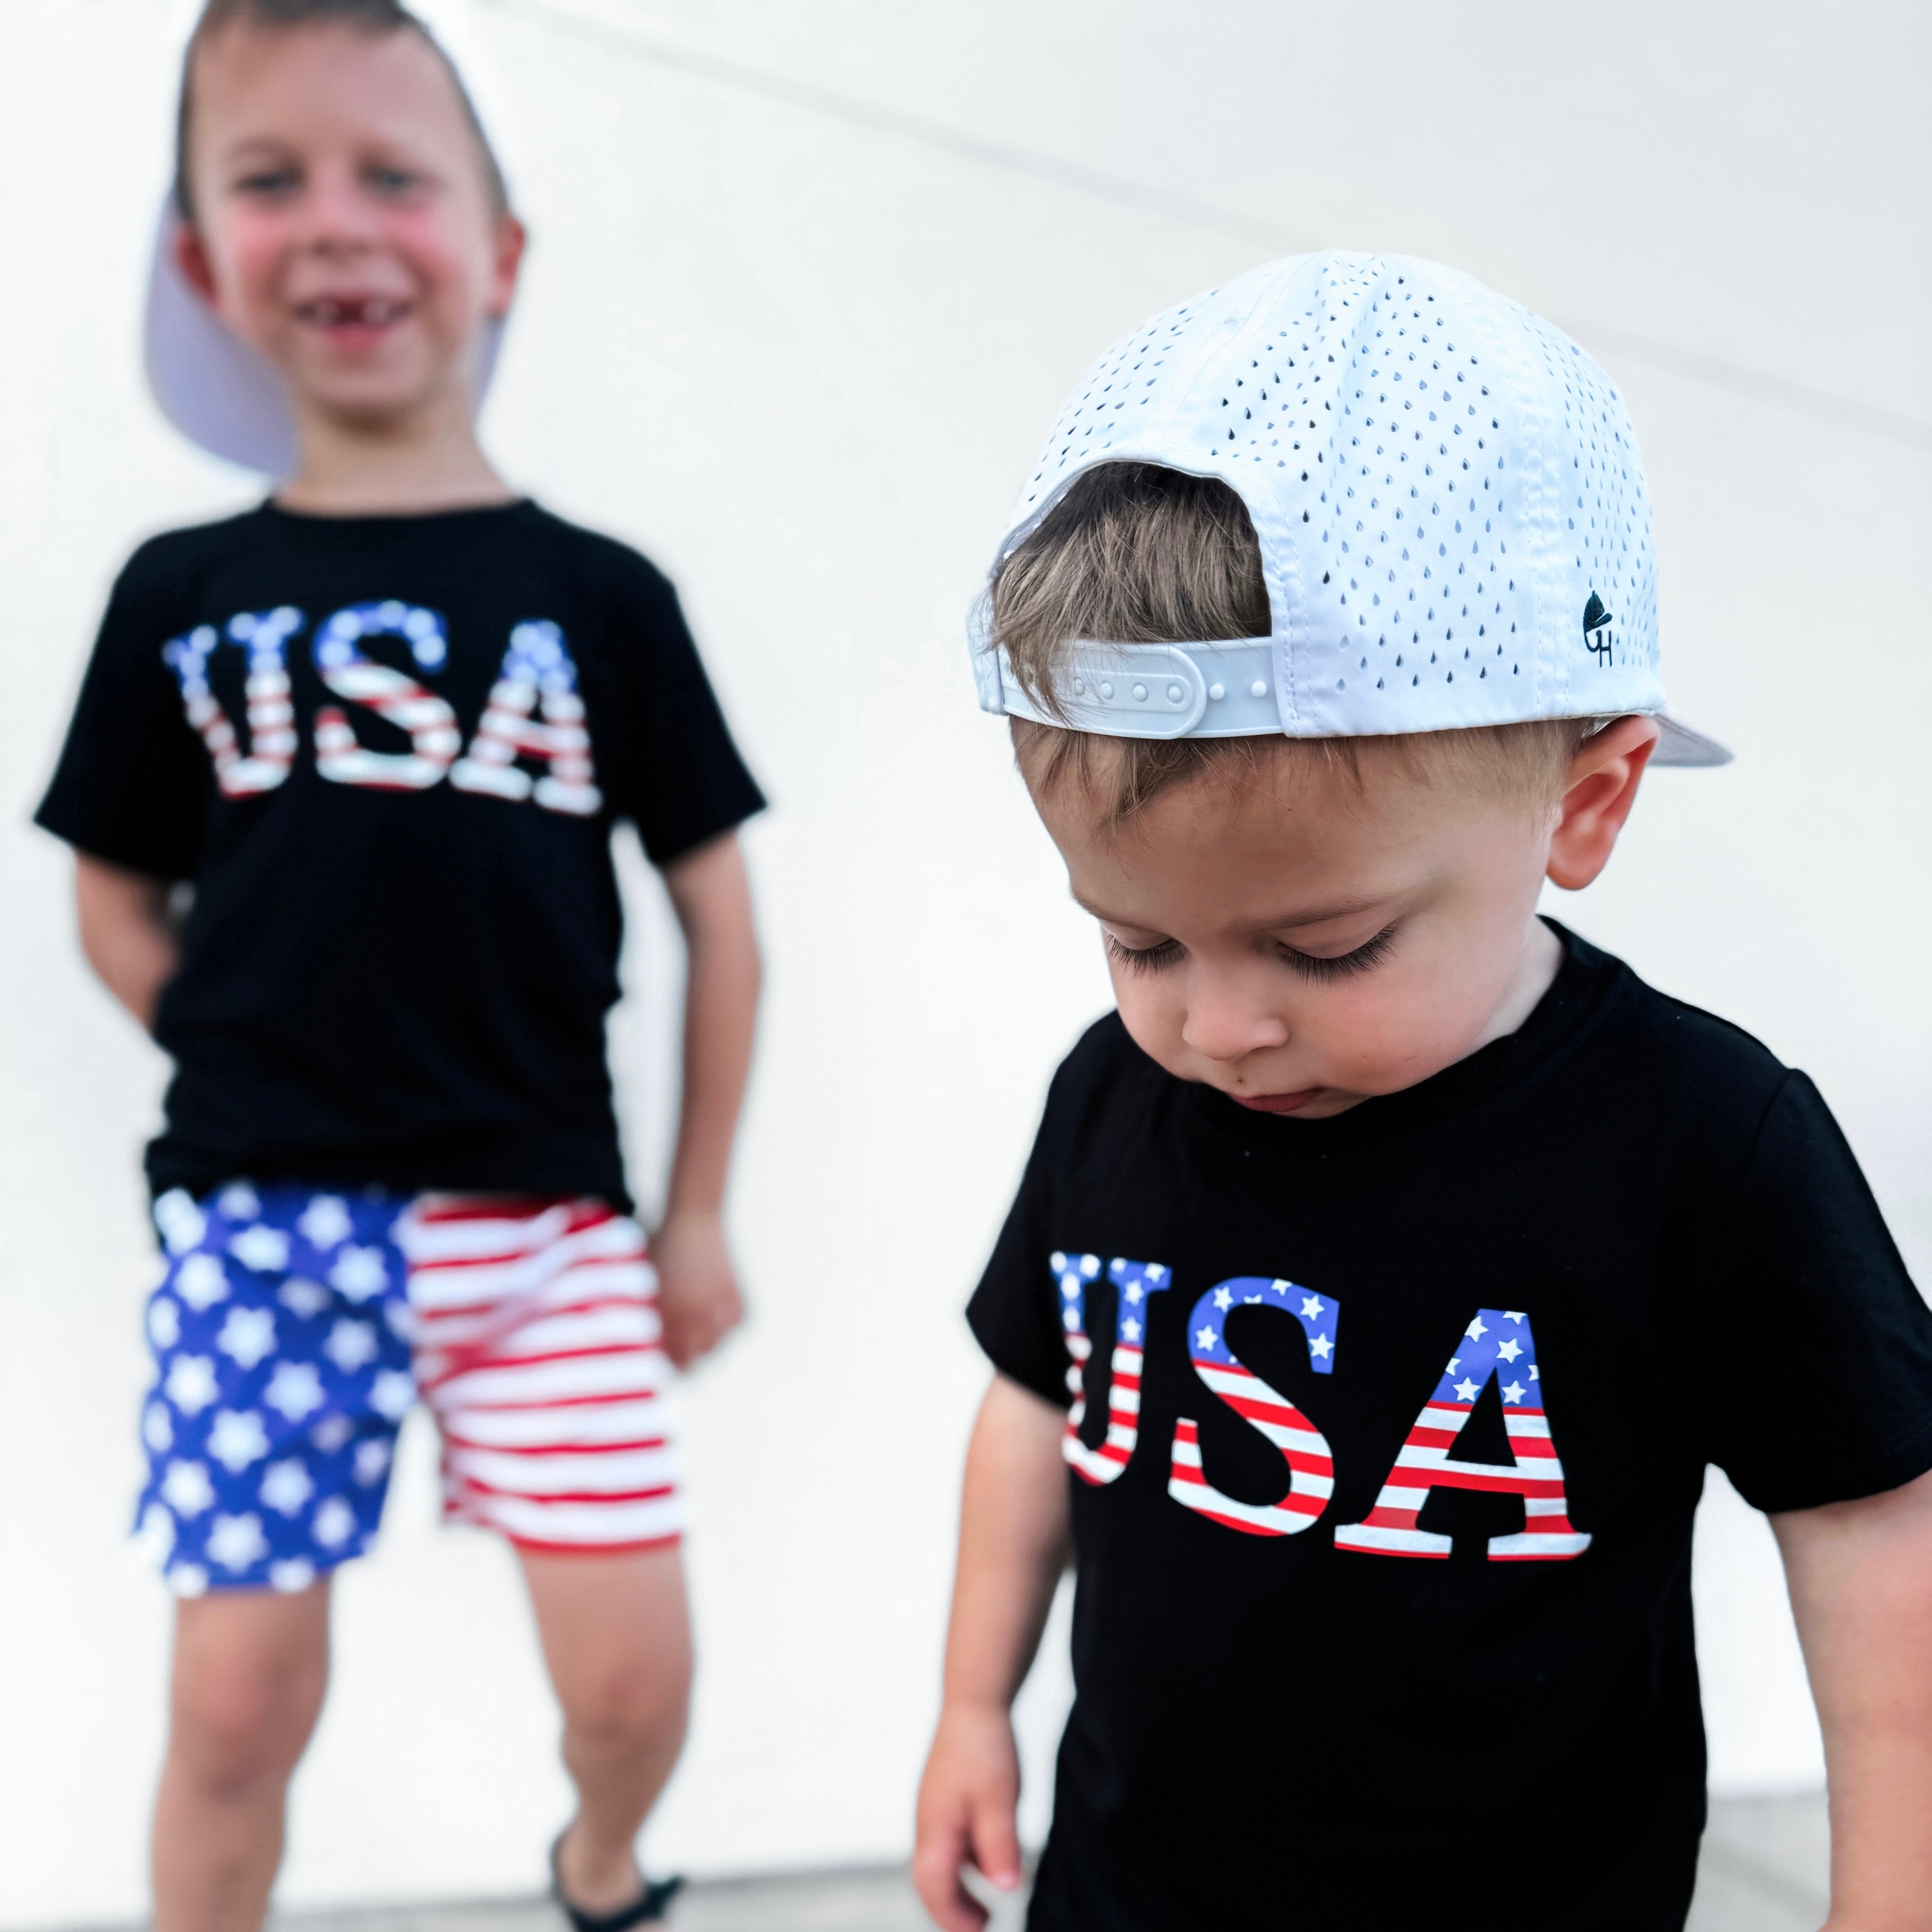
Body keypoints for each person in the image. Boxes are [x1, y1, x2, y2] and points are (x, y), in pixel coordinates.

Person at [912, 252, 1932, 1932]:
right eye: (1137, 939)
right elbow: (1036, 1399)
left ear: (1583, 805)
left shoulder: (1696, 1143)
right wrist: (970, 1704)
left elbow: (1872, 1529)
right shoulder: (1111, 1093)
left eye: (1326, 947)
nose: (1217, 1025)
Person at [33, 4, 765, 1927]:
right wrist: (240, 1036)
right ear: (204, 262)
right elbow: (111, 894)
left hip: (547, 1230)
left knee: (632, 1684)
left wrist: (695, 1214)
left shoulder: (600, 597)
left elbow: (721, 918)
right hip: (262, 1229)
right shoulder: (178, 594)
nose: (340, 222)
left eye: (394, 176)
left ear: (499, 251)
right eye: (270, 180)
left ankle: (598, 1859)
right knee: (233, 1704)